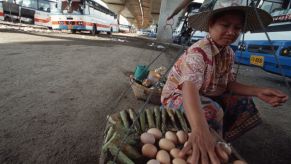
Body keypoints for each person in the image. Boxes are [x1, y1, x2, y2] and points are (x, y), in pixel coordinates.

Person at [161, 0, 289, 163]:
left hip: (206, 93)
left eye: (237, 28)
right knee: (212, 111)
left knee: (244, 103)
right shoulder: (198, 52)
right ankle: (204, 140)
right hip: (178, 96)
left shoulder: (228, 53)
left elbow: (228, 84)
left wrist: (258, 91)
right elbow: (189, 88)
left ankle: (218, 140)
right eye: (225, 25)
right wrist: (199, 129)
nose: (231, 32)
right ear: (210, 26)